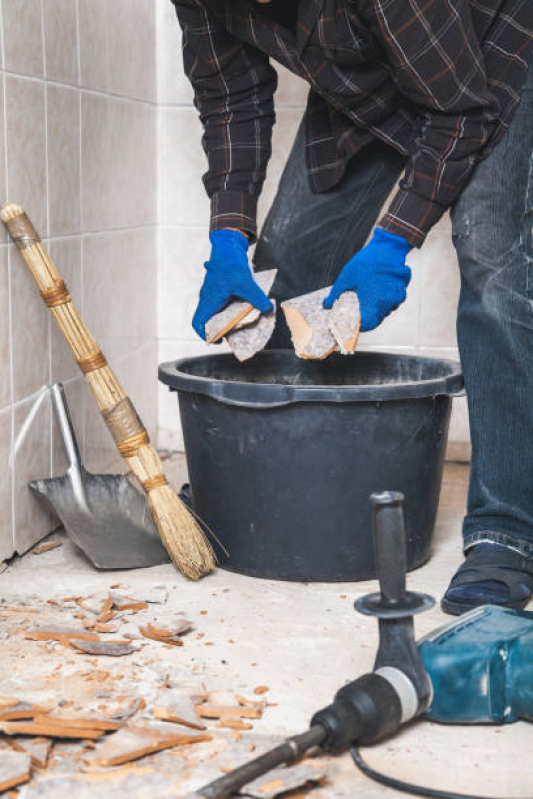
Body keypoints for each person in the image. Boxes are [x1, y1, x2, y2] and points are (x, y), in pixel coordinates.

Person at [171, 0, 533, 615]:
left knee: (494, 261)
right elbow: (231, 97)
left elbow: (462, 112)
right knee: (289, 256)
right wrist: (228, 236)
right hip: (369, 75)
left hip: (492, 59)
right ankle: (265, 484)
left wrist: (394, 241)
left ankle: (506, 532)